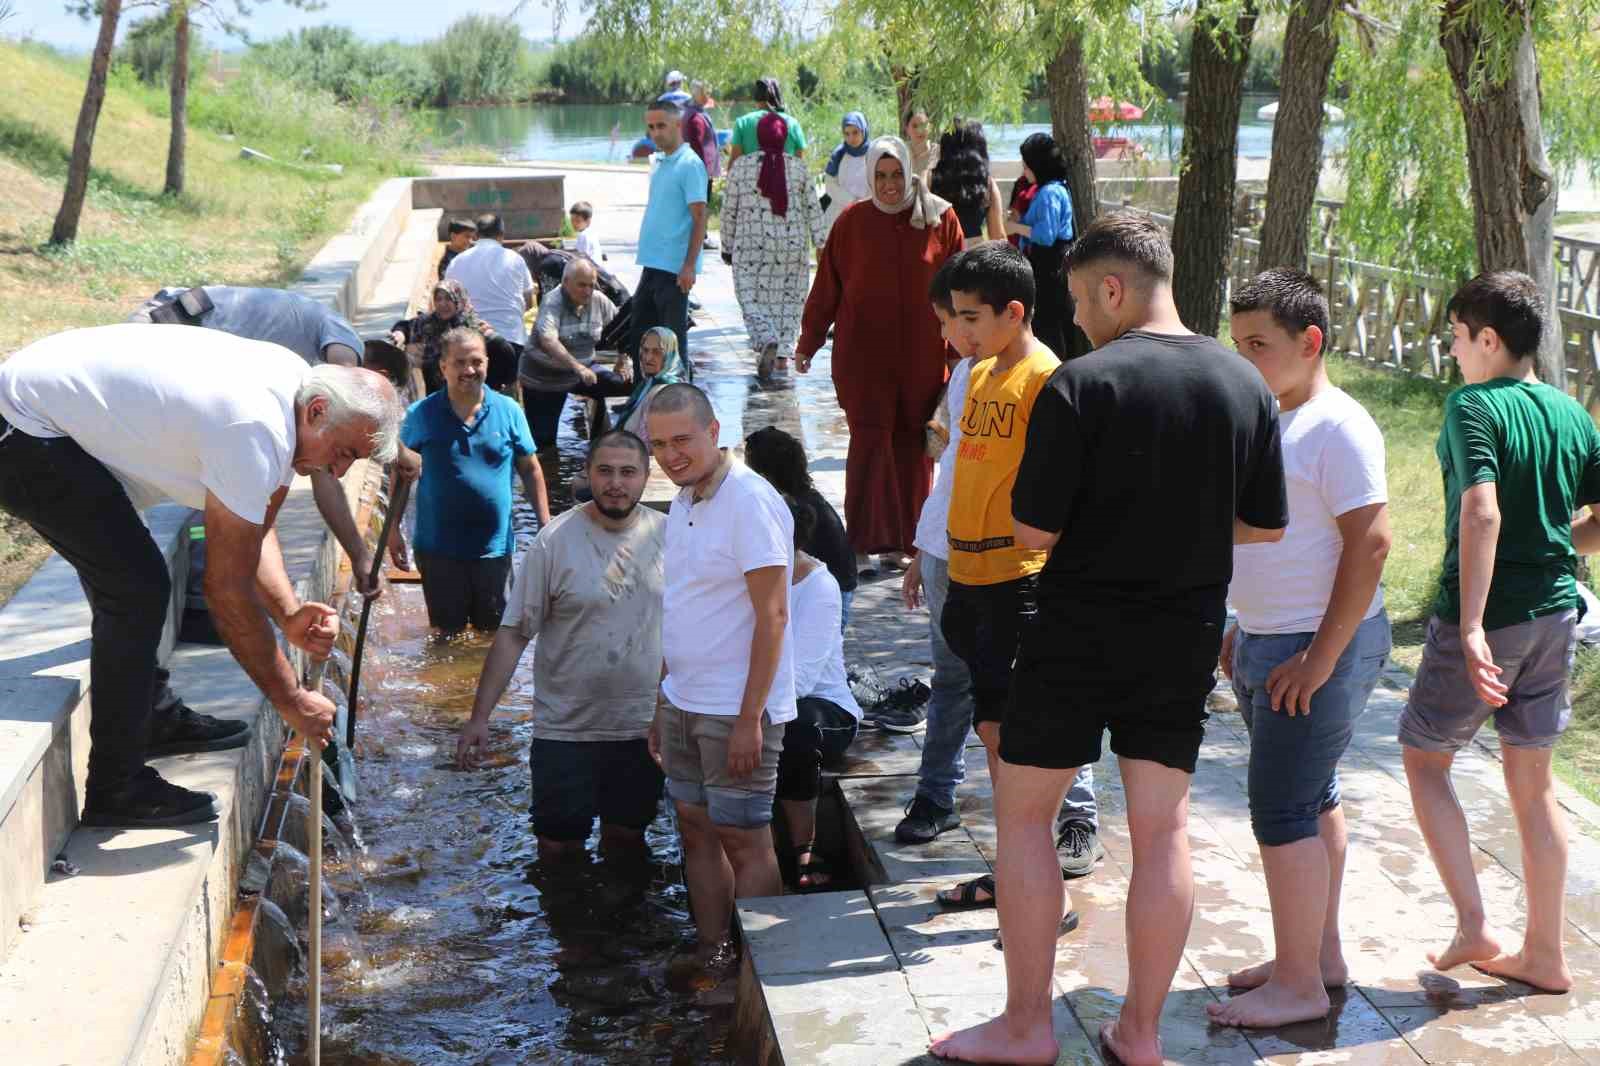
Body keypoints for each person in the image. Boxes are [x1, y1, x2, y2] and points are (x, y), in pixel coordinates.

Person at [928, 212, 1286, 1066]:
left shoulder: (1081, 384)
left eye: (1082, 302)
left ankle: (1026, 1027)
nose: (1079, 320)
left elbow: (1034, 530)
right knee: (1164, 832)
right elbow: (1265, 525)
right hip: (1183, 633)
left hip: (1075, 630)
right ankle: (1141, 1033)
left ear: (1114, 289)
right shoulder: (1244, 383)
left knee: (1025, 816)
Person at [0, 323, 402, 827]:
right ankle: (116, 788)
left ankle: (150, 717)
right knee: (135, 588)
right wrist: (292, 699)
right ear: (319, 411)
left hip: (49, 411)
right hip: (23, 427)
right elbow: (225, 590)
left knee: (131, 577)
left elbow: (252, 531)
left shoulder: (295, 396)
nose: (338, 471)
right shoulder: (255, 427)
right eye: (343, 453)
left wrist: (288, 612)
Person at [1398, 270, 1598, 996]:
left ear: (1488, 339)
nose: (1453, 351)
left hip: (1494, 615)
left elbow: (1481, 512)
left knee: (1425, 758)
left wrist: (1474, 624)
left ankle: (1474, 925)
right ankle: (1544, 954)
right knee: (1533, 787)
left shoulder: (1473, 405)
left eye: (1456, 336)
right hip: (1557, 614)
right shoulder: (1573, 414)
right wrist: (1553, 546)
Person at [1210, 269, 1394, 1028]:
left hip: (1316, 649)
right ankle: (1316, 958)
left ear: (1310, 342)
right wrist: (1241, 624)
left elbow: (1372, 542)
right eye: (1238, 344)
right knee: (1313, 799)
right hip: (1270, 639)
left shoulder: (1338, 426)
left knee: (1282, 809)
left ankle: (1298, 987)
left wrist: (1319, 657)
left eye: (1259, 344)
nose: (1244, 359)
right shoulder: (1273, 419)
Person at [895, 254, 1102, 876]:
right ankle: (1011, 863)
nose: (958, 331)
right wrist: (928, 546)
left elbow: (1066, 495)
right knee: (988, 725)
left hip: (1021, 582)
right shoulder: (977, 372)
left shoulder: (1049, 380)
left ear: (1013, 313)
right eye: (952, 317)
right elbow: (960, 470)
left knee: (1033, 726)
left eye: (969, 317)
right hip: (965, 575)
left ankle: (1056, 843)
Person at [457, 430, 666, 858]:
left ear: (646, 477)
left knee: (627, 839)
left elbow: (696, 632)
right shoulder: (555, 541)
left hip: (643, 727)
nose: (616, 483)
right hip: (565, 729)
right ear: (587, 473)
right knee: (557, 845)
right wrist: (480, 718)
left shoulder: (671, 537)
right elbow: (514, 633)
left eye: (628, 472)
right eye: (605, 471)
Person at [646, 382, 796, 973]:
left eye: (682, 440)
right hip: (683, 700)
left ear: (714, 432)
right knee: (695, 828)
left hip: (736, 708)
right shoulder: (684, 499)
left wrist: (749, 719)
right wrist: (662, 700)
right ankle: (714, 953)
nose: (670, 455)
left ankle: (767, 975)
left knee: (746, 838)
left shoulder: (750, 501)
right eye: (659, 445)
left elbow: (774, 615)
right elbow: (682, 605)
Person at [797, 135, 962, 576]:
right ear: (870, 177)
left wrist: (962, 351)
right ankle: (862, 542)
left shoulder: (940, 219)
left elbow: (960, 290)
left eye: (897, 175)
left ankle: (906, 543)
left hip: (921, 359)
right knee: (869, 445)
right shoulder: (851, 222)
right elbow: (827, 289)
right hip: (863, 360)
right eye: (881, 176)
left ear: (909, 173)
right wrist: (808, 342)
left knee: (913, 449)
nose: (890, 185)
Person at [400, 329, 551, 635]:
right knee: (446, 637)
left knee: (496, 635)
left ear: (487, 363)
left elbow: (530, 469)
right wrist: (392, 531)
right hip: (438, 550)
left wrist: (545, 523)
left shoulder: (509, 410)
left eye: (476, 361)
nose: (469, 370)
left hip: (494, 549)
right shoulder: (421, 414)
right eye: (459, 362)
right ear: (443, 366)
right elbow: (401, 473)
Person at [775, 494, 862, 890]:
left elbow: (801, 681)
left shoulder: (819, 586)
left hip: (825, 708)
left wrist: (745, 712)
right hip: (762, 697)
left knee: (795, 727)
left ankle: (804, 847)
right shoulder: (743, 576)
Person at [722, 112, 825, 379]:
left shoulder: (740, 167)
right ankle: (782, 357)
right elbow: (813, 208)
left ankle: (765, 338)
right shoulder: (799, 168)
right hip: (792, 248)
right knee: (789, 301)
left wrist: (726, 245)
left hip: (750, 247)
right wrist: (820, 242)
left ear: (759, 136)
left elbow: (729, 211)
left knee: (750, 298)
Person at [743, 426, 857, 630]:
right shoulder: (803, 498)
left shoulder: (794, 509)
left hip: (827, 594)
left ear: (764, 474)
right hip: (832, 585)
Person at [630, 97, 708, 380]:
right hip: (652, 262)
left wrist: (689, 266)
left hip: (674, 268)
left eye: (661, 126)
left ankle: (680, 398)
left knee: (672, 342)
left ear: (678, 125)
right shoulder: (661, 161)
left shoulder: (689, 164)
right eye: (651, 127)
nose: (655, 133)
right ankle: (644, 396)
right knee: (641, 335)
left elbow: (700, 217)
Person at [524, 258, 635, 451]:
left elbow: (622, 330)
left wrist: (622, 359)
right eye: (581, 285)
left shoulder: (598, 300)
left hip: (584, 369)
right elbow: (548, 341)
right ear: (565, 282)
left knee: (626, 384)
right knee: (543, 443)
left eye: (591, 285)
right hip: (544, 376)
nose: (587, 291)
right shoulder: (552, 301)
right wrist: (578, 367)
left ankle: (599, 444)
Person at [445, 212, 537, 391]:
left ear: (476, 235)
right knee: (507, 398)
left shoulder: (456, 262)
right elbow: (529, 302)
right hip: (512, 341)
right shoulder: (515, 259)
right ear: (501, 236)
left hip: (471, 344)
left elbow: (449, 304)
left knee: (471, 396)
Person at [1007, 133, 1077, 360]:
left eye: (1027, 166)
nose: (1024, 170)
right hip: (1052, 263)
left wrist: (1016, 227)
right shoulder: (1055, 188)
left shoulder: (1049, 193)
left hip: (1049, 265)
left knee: (1049, 322)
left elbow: (1046, 235)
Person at [389, 279, 518, 395]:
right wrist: (400, 334)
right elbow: (405, 326)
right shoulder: (427, 323)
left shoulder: (473, 327)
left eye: (448, 299)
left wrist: (494, 385)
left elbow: (504, 349)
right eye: (438, 299)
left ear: (459, 300)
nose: (442, 304)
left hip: (470, 396)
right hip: (437, 398)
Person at [928, 120, 1007, 248]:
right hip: (973, 253)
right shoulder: (987, 184)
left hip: (942, 251)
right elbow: (998, 236)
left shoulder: (931, 179)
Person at [728, 77, 806, 162]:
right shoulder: (793, 123)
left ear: (756, 97)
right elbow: (800, 161)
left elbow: (735, 161)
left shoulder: (742, 122)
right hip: (784, 170)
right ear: (778, 96)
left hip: (751, 170)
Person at [821, 112, 871, 238]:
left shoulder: (874, 153)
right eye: (846, 134)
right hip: (840, 212)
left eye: (855, 132)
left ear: (864, 130)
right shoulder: (839, 154)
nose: (851, 138)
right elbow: (830, 185)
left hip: (868, 212)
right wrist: (852, 202)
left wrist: (864, 204)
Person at [683, 80, 722, 200]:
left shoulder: (694, 112)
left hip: (700, 170)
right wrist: (702, 172)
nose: (708, 96)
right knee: (700, 204)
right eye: (706, 93)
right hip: (700, 172)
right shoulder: (695, 118)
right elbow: (696, 147)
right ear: (698, 95)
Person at [904, 108, 935, 177]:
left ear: (930, 127)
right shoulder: (900, 151)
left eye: (923, 125)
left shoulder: (937, 152)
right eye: (914, 126)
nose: (919, 130)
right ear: (907, 129)